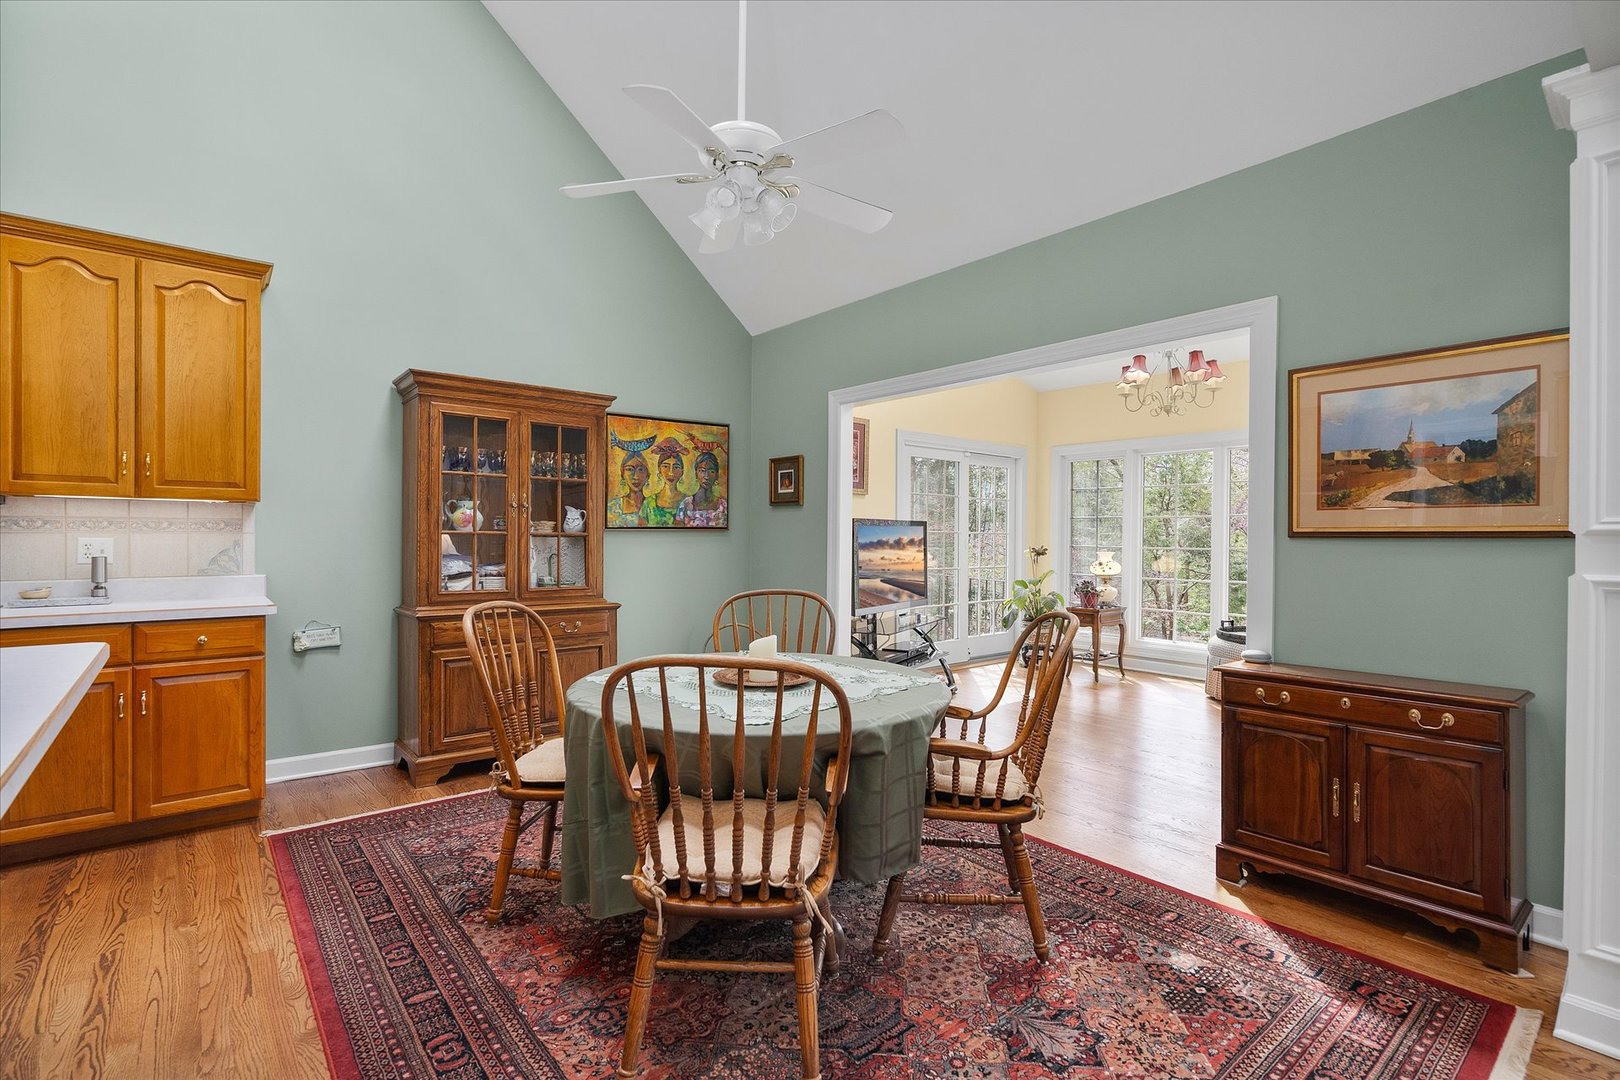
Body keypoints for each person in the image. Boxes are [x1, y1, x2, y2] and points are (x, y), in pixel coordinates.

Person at [676, 450, 727, 527]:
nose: (706, 476)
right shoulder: (685, 505)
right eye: (702, 471)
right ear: (696, 474)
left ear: (717, 475)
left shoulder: (723, 506)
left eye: (711, 471)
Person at [643, 438, 686, 527]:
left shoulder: (688, 502)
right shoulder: (648, 503)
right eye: (666, 466)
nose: (671, 473)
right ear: (659, 470)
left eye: (676, 467)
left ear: (682, 472)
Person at [606, 452, 650, 527]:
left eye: (641, 469)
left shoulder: (653, 506)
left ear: (647, 476)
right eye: (630, 469)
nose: (636, 477)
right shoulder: (612, 506)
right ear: (623, 475)